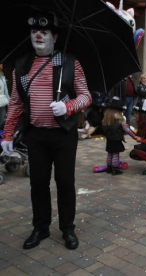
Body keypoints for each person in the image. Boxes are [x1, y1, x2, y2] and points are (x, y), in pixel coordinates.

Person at [1, 11, 92, 250]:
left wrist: (68, 106)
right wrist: (8, 133)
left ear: (55, 36)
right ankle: (40, 227)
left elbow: (86, 96)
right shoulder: (21, 65)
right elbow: (16, 103)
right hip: (36, 135)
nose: (38, 35)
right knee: (38, 184)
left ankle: (67, 229)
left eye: (44, 31)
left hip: (63, 135)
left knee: (65, 183)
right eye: (33, 32)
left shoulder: (71, 63)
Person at [101, 97, 139, 175]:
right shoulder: (120, 118)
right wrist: (134, 136)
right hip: (116, 138)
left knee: (110, 152)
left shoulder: (107, 116)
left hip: (109, 138)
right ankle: (115, 168)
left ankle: (109, 167)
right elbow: (126, 129)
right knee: (115, 153)